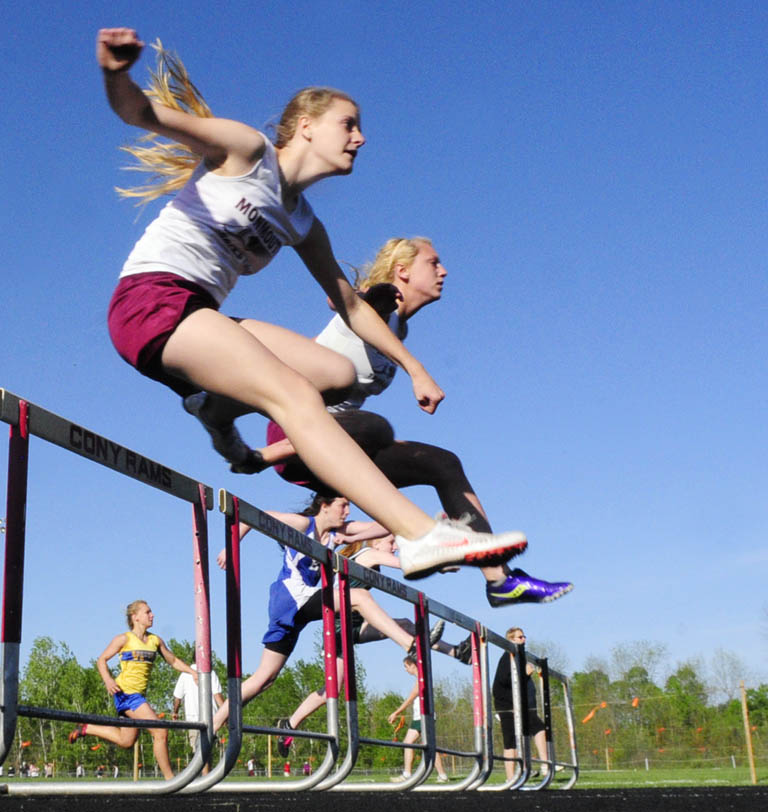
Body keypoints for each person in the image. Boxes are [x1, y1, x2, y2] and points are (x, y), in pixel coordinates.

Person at [96, 28, 526, 581]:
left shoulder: (303, 222)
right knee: (296, 395)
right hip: (149, 302)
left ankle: (216, 410)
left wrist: (416, 368)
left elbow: (351, 305)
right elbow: (139, 113)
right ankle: (419, 535)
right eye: (349, 124)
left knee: (337, 373)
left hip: (198, 312)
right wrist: (115, 73)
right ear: (305, 125)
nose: (361, 138)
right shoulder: (247, 151)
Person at [256, 236, 571, 607]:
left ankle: (498, 580)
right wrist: (412, 363)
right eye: (434, 263)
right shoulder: (379, 303)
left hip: (343, 445)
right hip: (298, 435)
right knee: (376, 427)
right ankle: (263, 455)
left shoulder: (398, 330)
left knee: (443, 463)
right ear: (403, 271)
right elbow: (342, 300)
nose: (444, 271)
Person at [212, 495, 435, 733]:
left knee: (266, 679)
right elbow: (254, 515)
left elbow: (377, 526)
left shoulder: (337, 533)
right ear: (325, 506)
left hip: (305, 603)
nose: (347, 511)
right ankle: (408, 643)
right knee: (359, 597)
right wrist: (230, 546)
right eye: (343, 505)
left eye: (349, 505)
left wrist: (398, 514)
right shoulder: (302, 524)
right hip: (289, 599)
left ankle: (215, 723)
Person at [275, 533, 468, 757]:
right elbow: (406, 564)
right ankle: (289, 725)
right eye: (391, 543)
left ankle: (457, 652)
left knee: (406, 624)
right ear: (376, 542)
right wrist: (439, 561)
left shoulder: (370, 559)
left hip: (357, 626)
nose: (394, 547)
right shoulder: (368, 554)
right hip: (337, 629)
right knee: (332, 690)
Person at [68, 600, 196, 780]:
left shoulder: (155, 640)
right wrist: (108, 680)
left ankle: (86, 729)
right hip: (126, 694)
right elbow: (101, 660)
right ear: (135, 617)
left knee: (126, 741)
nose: (152, 615)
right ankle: (171, 781)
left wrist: (192, 672)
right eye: (147, 612)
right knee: (160, 731)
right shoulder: (124, 639)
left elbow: (173, 661)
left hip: (137, 696)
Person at [492, 626, 548, 781]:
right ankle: (511, 778)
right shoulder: (507, 657)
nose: (524, 639)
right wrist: (524, 674)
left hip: (519, 704)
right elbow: (504, 681)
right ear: (511, 640)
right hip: (506, 705)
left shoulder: (519, 657)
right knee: (511, 741)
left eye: (524, 636)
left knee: (533, 730)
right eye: (520, 637)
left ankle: (535, 766)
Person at [388, 656, 448, 783]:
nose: (405, 669)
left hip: (423, 717)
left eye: (406, 666)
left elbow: (410, 699)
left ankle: (408, 774)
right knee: (422, 744)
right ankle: (441, 775)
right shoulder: (421, 678)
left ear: (412, 665)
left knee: (409, 742)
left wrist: (396, 713)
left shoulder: (421, 679)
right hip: (419, 717)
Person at [172, 659, 225, 774]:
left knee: (200, 751)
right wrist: (225, 714)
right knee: (205, 751)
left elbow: (177, 698)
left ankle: (204, 778)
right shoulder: (210, 672)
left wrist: (175, 712)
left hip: (193, 720)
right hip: (212, 719)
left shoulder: (185, 674)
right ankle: (205, 778)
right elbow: (218, 696)